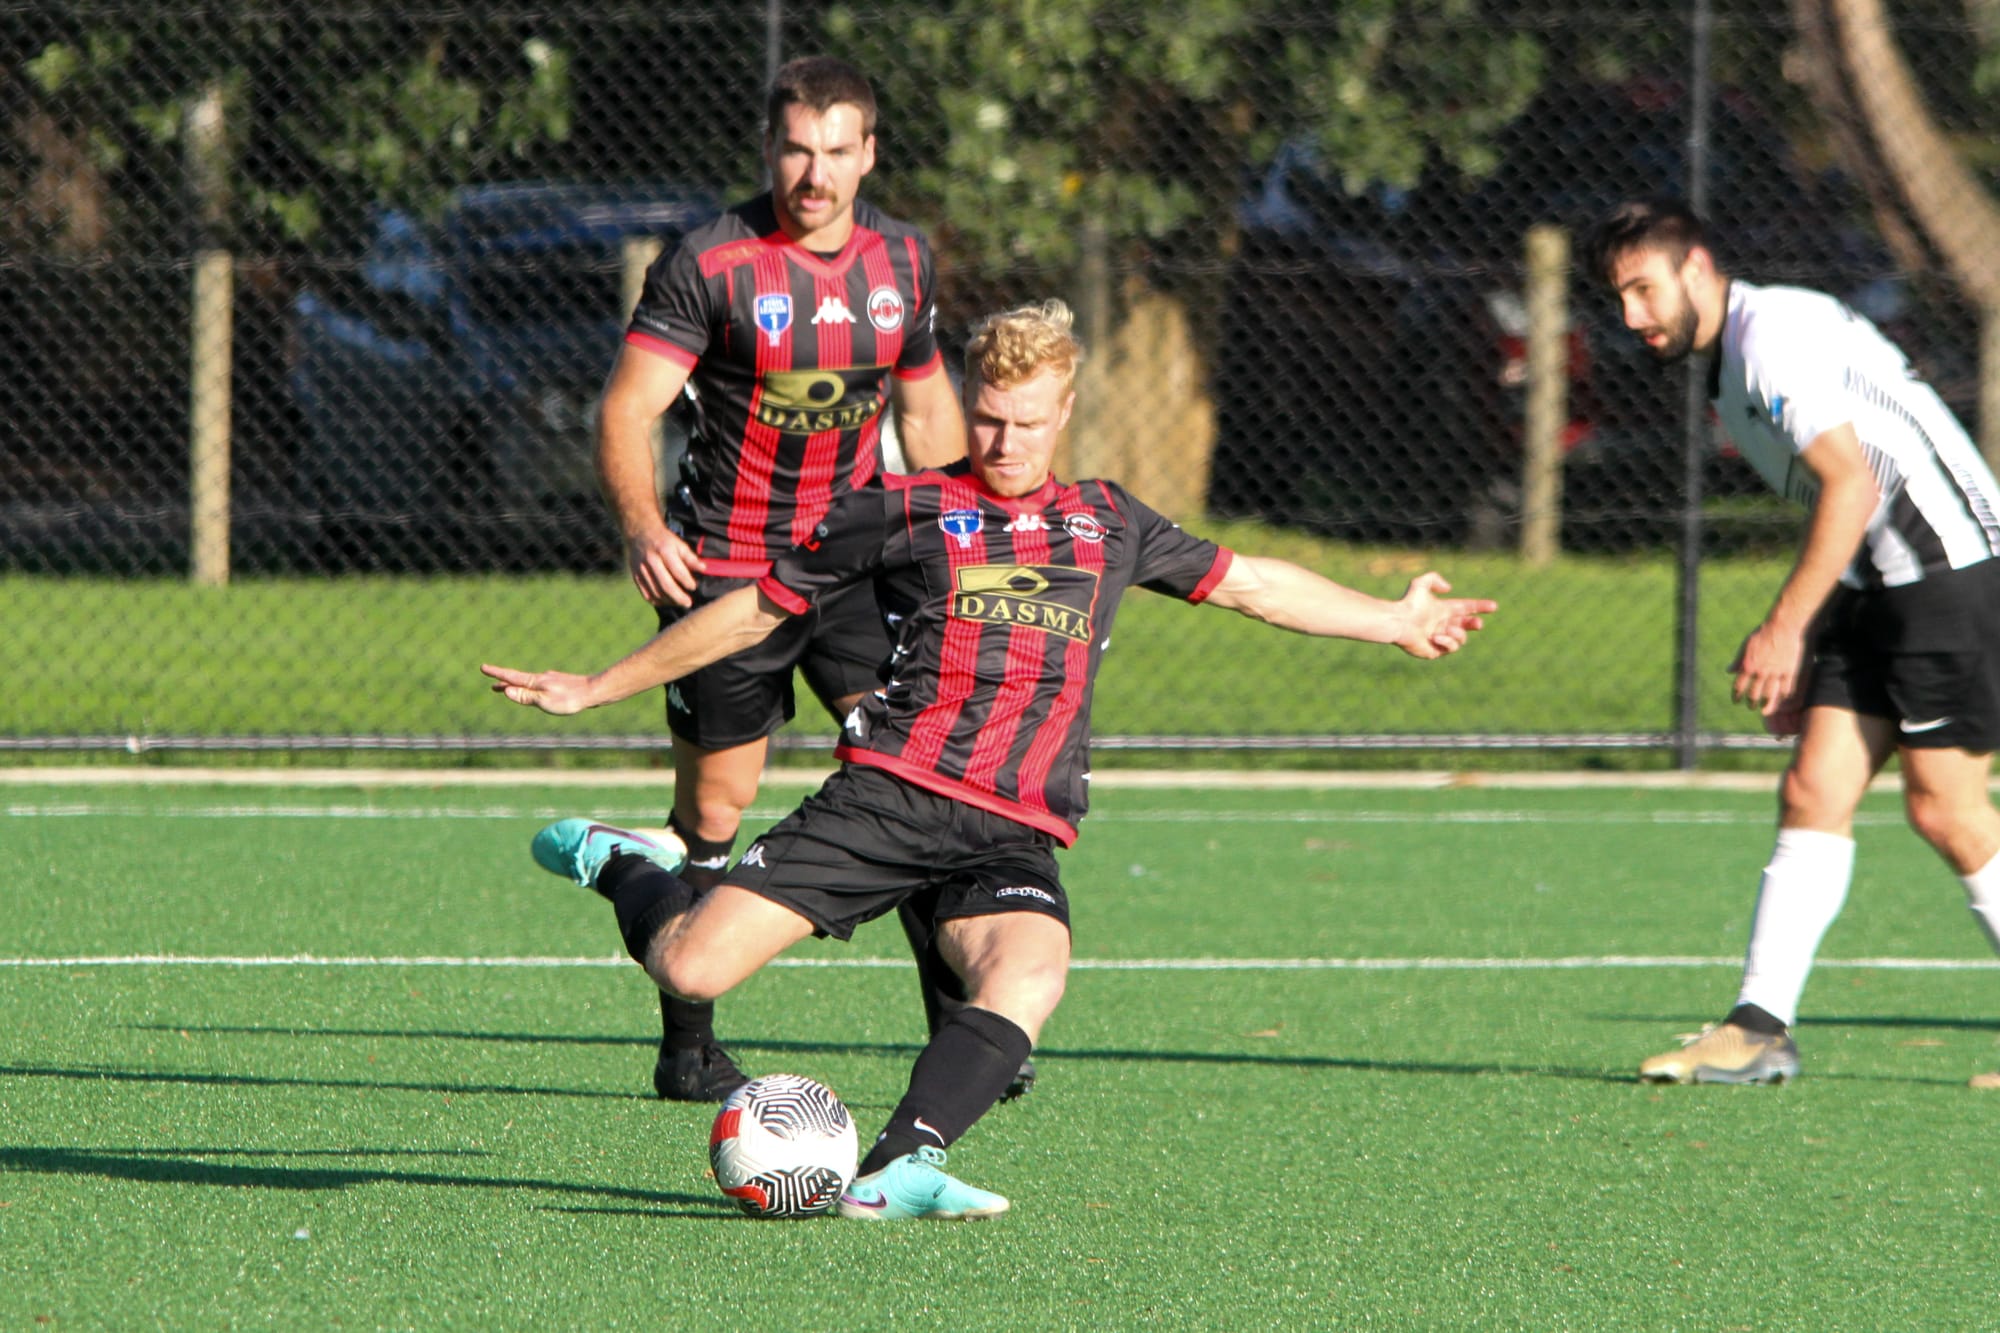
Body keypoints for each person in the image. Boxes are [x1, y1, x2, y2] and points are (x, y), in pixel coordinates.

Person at [484, 299, 1495, 1218]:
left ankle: (894, 1167)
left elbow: (1253, 584)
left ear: (1062, 412)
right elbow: (752, 607)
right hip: (887, 798)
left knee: (1030, 971)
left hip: (1009, 823)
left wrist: (1394, 623)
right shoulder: (902, 507)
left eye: (1025, 421)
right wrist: (595, 684)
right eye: (987, 418)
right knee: (689, 962)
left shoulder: (1107, 521)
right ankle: (628, 864)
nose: (1004, 441)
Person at [596, 55, 975, 1102]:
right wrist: (640, 527)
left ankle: (958, 1031)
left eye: (836, 150)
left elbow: (927, 406)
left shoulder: (903, 259)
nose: (814, 172)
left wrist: (958, 528)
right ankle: (686, 1042)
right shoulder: (708, 262)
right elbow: (630, 407)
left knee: (915, 775)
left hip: (853, 570)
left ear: (868, 155)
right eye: (796, 149)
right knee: (715, 808)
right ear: (771, 151)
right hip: (726, 571)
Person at [1590, 198, 2000, 1088]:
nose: (1630, 317)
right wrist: (1816, 632)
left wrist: (1786, 627)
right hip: (1878, 582)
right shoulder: (1728, 354)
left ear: (1696, 267)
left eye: (1642, 290)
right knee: (1814, 785)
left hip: (1948, 573)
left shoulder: (1768, 333)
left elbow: (1850, 487)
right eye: (1617, 298)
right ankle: (1758, 1027)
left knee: (1947, 810)